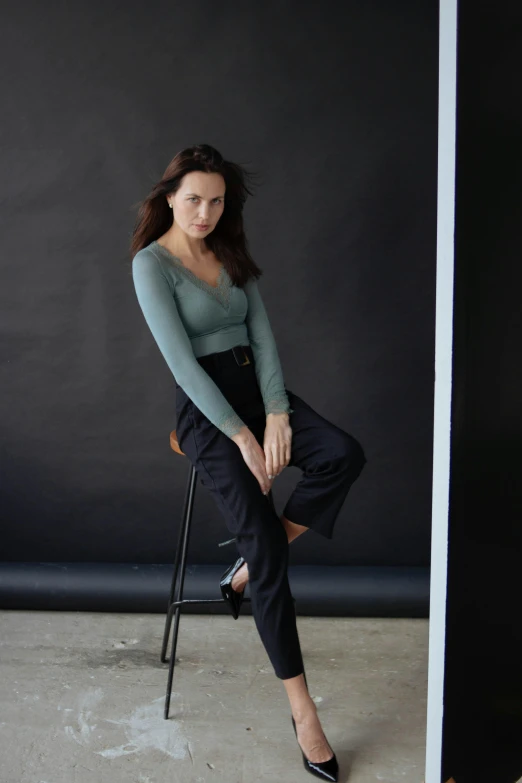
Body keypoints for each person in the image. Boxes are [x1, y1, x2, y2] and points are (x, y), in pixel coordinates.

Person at [130, 143, 366, 781]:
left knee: (341, 454)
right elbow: (182, 365)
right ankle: (303, 710)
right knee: (266, 551)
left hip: (257, 394)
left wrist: (279, 413)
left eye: (215, 200)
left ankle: (250, 566)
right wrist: (241, 435)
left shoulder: (229, 250)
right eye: (193, 200)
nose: (204, 212)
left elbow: (261, 335)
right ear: (170, 197)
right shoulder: (151, 265)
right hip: (207, 413)